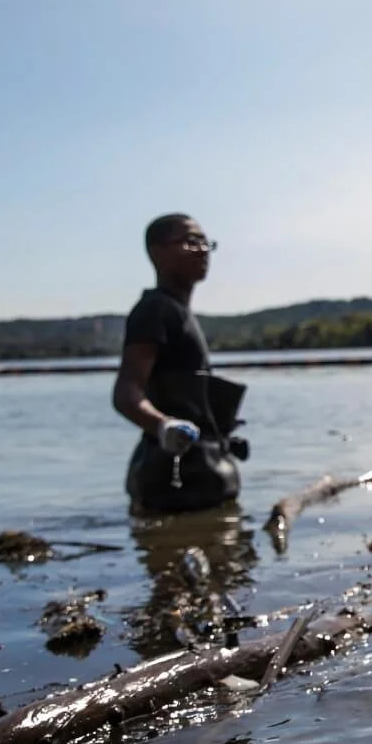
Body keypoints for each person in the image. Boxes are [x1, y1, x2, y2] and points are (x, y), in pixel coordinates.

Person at [113, 213, 249, 516]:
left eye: (204, 242)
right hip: (172, 488)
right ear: (156, 252)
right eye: (190, 241)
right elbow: (126, 392)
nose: (201, 250)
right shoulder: (155, 310)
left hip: (204, 482)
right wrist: (163, 426)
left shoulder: (179, 312)